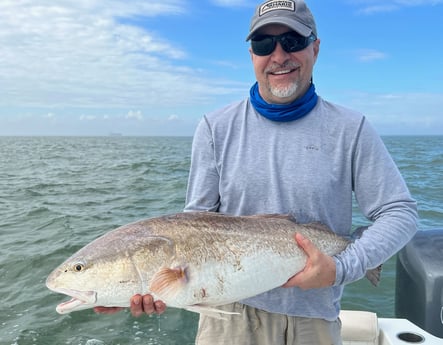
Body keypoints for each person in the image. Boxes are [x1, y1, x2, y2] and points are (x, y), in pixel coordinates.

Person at [96, 0, 418, 344]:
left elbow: (400, 213)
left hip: (314, 319)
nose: (279, 55)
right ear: (252, 54)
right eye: (264, 44)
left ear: (316, 48)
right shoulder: (214, 127)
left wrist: (342, 267)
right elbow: (195, 226)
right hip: (227, 316)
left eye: (292, 41)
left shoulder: (351, 129)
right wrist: (140, 284)